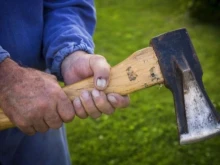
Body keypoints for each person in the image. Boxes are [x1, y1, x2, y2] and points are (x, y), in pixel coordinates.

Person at [0, 0, 130, 164]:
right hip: (30, 94)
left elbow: (66, 3)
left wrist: (70, 53)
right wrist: (5, 77)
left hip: (41, 104)